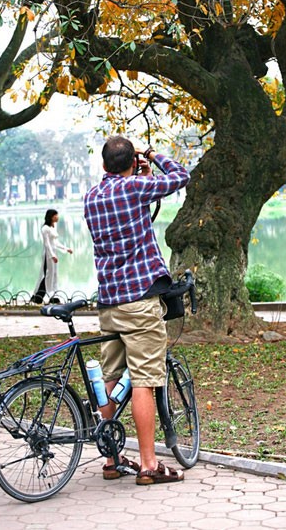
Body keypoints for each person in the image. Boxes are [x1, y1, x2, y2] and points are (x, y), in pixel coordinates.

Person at [84, 136, 190, 485]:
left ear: (103, 166)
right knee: (144, 380)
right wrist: (153, 157)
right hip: (140, 300)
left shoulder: (91, 198)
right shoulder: (134, 190)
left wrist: (136, 176)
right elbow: (180, 176)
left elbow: (125, 200)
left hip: (108, 302)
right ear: (132, 161)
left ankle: (112, 459)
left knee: (112, 378)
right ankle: (148, 464)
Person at [31, 209, 73, 304]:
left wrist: (66, 249)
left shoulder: (53, 227)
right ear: (51, 216)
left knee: (53, 275)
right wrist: (52, 255)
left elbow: (55, 243)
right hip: (48, 255)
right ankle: (42, 296)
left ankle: (49, 296)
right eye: (56, 216)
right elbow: (47, 244)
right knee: (48, 275)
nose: (57, 217)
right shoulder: (45, 228)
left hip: (53, 254)